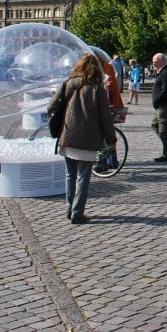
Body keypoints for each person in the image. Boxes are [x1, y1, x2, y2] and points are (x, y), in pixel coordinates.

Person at [52, 53, 117, 225]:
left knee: (70, 175)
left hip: (67, 135)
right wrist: (111, 138)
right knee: (83, 177)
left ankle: (69, 208)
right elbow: (106, 117)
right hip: (88, 138)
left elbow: (51, 106)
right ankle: (77, 212)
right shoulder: (97, 88)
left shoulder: (67, 83)